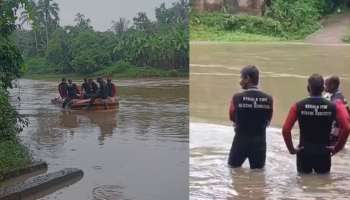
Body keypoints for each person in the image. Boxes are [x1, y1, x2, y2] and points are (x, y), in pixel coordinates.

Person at [282, 74, 350, 174]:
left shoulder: (297, 106)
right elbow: (346, 127)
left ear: (308, 88)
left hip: (304, 152)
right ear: (323, 88)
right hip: (324, 153)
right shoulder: (335, 106)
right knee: (323, 185)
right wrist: (337, 148)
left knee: (303, 185)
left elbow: (286, 130)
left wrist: (291, 149)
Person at [228, 65, 273, 169]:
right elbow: (268, 119)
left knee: (233, 170)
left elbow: (231, 116)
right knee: (258, 175)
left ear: (247, 78)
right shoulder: (269, 99)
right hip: (259, 144)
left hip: (240, 142)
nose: (240, 82)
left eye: (241, 78)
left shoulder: (237, 98)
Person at [324, 75, 350, 144]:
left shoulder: (337, 99)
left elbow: (339, 120)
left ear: (332, 85)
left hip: (337, 130)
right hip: (339, 129)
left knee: (332, 146)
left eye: (326, 85)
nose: (324, 87)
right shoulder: (334, 94)